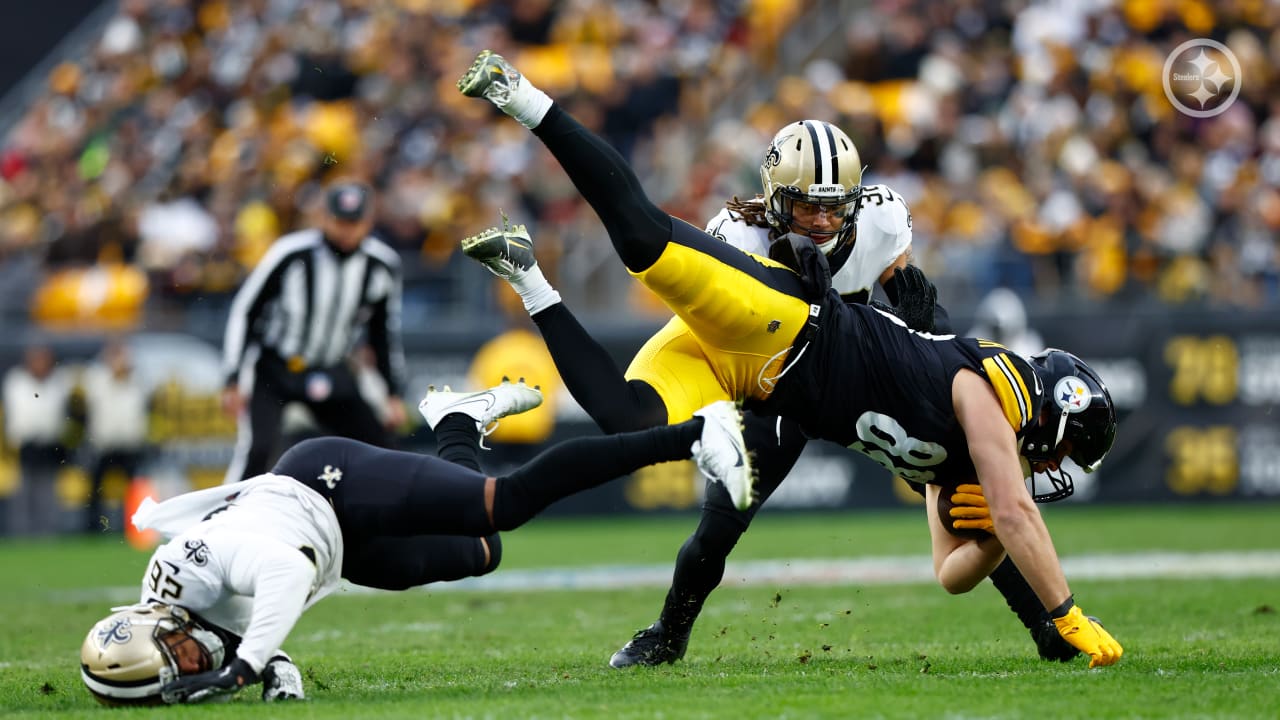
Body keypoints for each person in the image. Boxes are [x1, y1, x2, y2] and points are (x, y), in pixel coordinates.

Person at [455, 50, 1123, 668]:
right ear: (775, 198)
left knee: (966, 478)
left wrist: (923, 319)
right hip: (757, 345)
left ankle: (528, 274)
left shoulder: (885, 223)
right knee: (695, 484)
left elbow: (930, 344)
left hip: (839, 382)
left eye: (835, 209)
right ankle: (670, 631)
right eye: (806, 207)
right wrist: (786, 276)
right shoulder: (740, 228)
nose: (824, 222)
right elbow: (728, 309)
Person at [79, 380, 754, 705]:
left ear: (157, 621)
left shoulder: (187, 567)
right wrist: (274, 666)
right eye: (186, 667)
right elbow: (240, 625)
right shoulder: (181, 619)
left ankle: (693, 434)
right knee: (483, 551)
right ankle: (458, 417)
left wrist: (248, 666)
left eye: (182, 655)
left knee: (506, 505)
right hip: (341, 549)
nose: (195, 661)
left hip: (327, 484)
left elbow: (281, 575)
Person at [220, 180, 408, 484]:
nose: (347, 231)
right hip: (275, 368)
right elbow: (246, 311)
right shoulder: (291, 253)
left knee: (381, 448)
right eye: (340, 221)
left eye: (354, 222)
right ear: (324, 217)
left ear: (368, 221)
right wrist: (232, 376)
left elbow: (383, 332)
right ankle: (223, 523)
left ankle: (390, 527)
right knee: (259, 451)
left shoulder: (381, 265)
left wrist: (393, 392)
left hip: (332, 368)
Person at [80, 338, 151, 533]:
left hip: (129, 446)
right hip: (104, 445)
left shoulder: (138, 383)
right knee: (96, 490)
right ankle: (93, 529)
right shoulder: (98, 380)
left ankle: (132, 528)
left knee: (132, 490)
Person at [2, 343, 73, 536]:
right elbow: (18, 415)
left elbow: (58, 415)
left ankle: (47, 532)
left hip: (50, 444)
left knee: (48, 491)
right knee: (23, 491)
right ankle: (21, 533)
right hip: (23, 445)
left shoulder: (58, 382)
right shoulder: (17, 382)